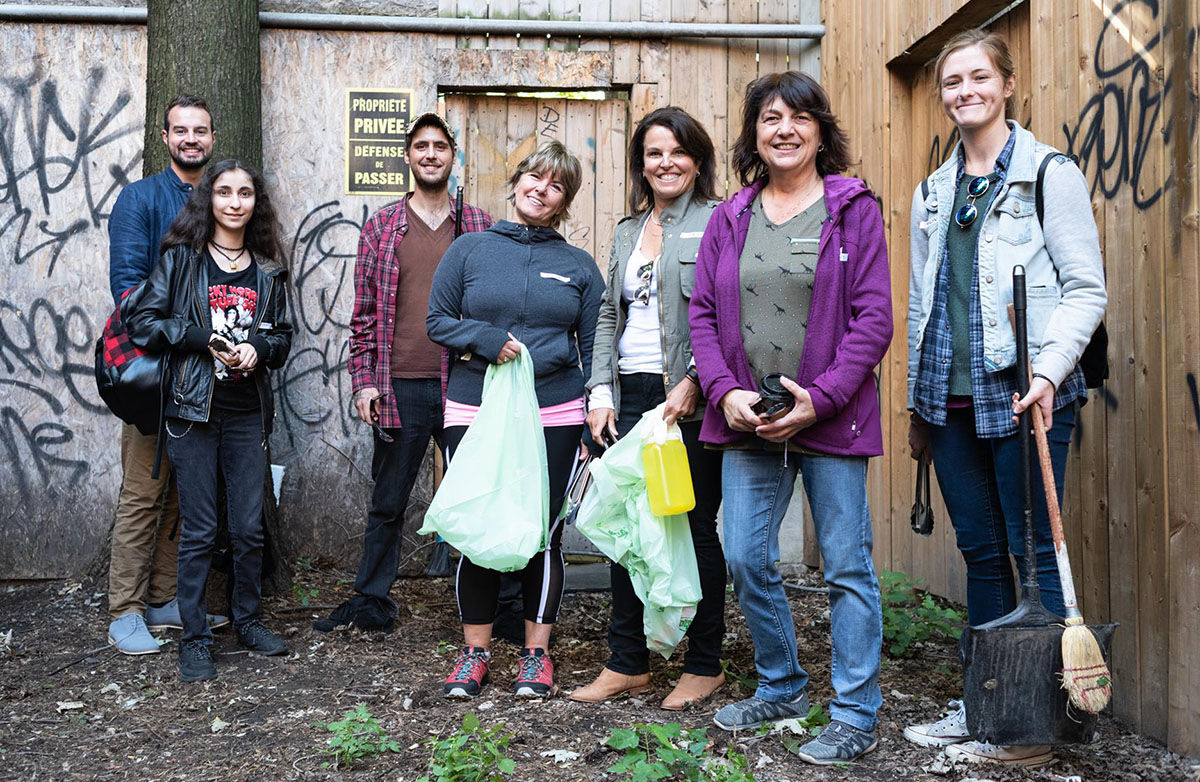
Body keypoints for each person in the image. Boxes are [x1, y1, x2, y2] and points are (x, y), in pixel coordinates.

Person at [903, 29, 1106, 767]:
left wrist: (1049, 373)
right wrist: (915, 412)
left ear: (1008, 83)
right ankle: (988, 703)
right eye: (952, 82)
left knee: (1036, 559)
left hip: (1027, 393)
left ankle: (1036, 727)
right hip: (947, 402)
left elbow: (1087, 288)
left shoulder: (1049, 173)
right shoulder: (933, 191)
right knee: (982, 556)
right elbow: (922, 305)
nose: (964, 91)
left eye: (978, 77)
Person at [689, 71, 891, 764]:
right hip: (749, 421)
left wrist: (821, 397)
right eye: (770, 118)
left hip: (830, 420)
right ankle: (782, 683)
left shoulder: (853, 208)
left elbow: (874, 320)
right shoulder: (730, 216)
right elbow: (704, 315)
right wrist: (723, 392)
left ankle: (856, 711)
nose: (784, 129)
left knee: (846, 568)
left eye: (799, 117)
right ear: (753, 134)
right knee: (745, 555)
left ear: (819, 130)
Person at [427, 139, 603, 699]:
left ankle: (536, 655)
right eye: (535, 177)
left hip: (554, 408)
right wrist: (485, 338)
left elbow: (596, 343)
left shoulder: (579, 266)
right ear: (518, 180)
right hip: (474, 405)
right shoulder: (469, 250)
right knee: (479, 528)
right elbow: (437, 321)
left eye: (556, 186)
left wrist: (599, 401)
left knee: (543, 529)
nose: (541, 189)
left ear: (563, 201)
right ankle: (474, 653)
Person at [568, 107, 727, 710]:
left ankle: (704, 662)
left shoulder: (720, 221)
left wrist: (694, 383)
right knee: (626, 526)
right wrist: (600, 391)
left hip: (684, 399)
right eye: (654, 153)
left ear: (697, 160)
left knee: (691, 525)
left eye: (678, 152)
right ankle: (627, 661)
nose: (666, 163)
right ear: (641, 163)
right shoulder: (627, 230)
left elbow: (724, 316)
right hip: (627, 395)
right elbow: (611, 312)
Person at [313, 113, 492, 634]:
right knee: (388, 500)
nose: (431, 154)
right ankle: (371, 599)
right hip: (402, 384)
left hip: (466, 383)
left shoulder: (479, 226)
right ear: (408, 157)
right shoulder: (383, 227)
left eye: (440, 146)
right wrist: (365, 380)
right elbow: (364, 312)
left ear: (453, 156)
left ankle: (497, 606)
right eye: (421, 147)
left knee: (481, 494)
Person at [122, 159, 294, 681]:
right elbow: (142, 321)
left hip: (246, 415)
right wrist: (203, 340)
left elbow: (283, 337)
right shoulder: (181, 261)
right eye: (224, 192)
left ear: (254, 203)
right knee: (199, 529)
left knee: (247, 528)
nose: (235, 202)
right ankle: (194, 638)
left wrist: (258, 350)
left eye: (245, 193)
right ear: (209, 200)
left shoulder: (267, 268)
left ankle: (247, 620)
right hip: (192, 412)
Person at [105, 94, 229, 655]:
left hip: (207, 374)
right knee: (143, 490)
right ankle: (124, 609)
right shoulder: (140, 199)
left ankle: (163, 598)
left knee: (185, 490)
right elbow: (129, 292)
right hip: (157, 372)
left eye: (200, 131)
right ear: (164, 137)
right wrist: (187, 331)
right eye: (180, 130)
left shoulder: (224, 196)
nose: (190, 140)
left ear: (211, 137)